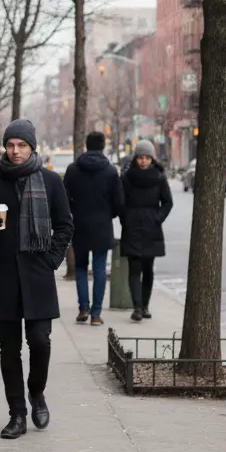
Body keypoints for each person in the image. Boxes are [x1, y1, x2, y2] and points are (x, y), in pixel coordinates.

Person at [0, 119, 73, 440]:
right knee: (8, 349)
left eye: (21, 145)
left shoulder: (51, 181)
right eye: (11, 145)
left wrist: (52, 260)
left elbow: (65, 225)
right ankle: (17, 413)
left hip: (38, 274)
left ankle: (37, 393)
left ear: (32, 147)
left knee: (40, 342)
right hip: (3, 275)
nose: (15, 151)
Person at [63, 131, 125, 326]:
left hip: (80, 224)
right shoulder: (110, 171)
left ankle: (83, 307)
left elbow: (64, 198)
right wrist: (109, 214)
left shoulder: (73, 169)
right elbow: (119, 201)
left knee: (81, 267)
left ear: (86, 145)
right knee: (99, 269)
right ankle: (96, 314)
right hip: (102, 225)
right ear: (102, 146)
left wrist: (74, 212)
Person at [119, 140, 173, 322]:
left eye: (147, 158)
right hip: (132, 227)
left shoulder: (159, 177)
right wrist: (125, 219)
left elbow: (167, 202)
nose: (143, 161)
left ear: (152, 158)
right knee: (135, 269)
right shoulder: (127, 178)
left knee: (148, 269)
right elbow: (120, 202)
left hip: (151, 227)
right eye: (141, 157)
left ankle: (145, 306)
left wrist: (157, 218)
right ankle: (137, 308)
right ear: (136, 158)